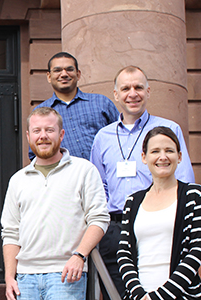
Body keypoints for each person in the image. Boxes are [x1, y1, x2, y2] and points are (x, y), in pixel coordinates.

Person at [90, 66, 195, 298]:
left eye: (138, 87)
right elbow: (99, 188)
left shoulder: (169, 130)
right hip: (116, 228)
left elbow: (185, 181)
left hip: (161, 226)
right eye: (125, 88)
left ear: (148, 91)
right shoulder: (103, 137)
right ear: (116, 94)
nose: (132, 93)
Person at [1, 107, 109, 300]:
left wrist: (80, 256)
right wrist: (10, 276)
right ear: (28, 136)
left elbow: (99, 219)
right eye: (37, 131)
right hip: (25, 278)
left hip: (67, 274)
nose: (43, 136)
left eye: (49, 130)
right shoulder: (17, 179)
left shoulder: (84, 170)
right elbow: (10, 232)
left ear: (61, 134)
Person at [118, 126, 201, 299]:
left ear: (179, 157)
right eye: (155, 151)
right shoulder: (132, 202)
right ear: (144, 157)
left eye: (169, 151)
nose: (162, 157)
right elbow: (124, 254)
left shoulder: (194, 195)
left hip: (181, 295)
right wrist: (140, 294)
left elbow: (196, 250)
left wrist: (160, 296)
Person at [30, 52, 119, 160]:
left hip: (103, 173)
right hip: (63, 175)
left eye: (69, 69)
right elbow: (35, 153)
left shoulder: (101, 103)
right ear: (49, 76)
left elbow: (121, 137)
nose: (64, 74)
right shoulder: (40, 113)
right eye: (57, 70)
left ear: (78, 74)